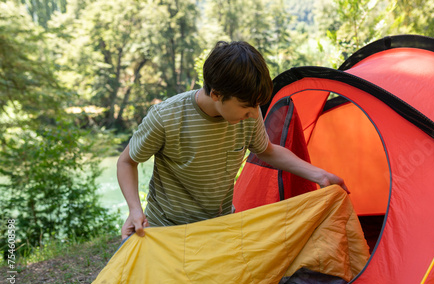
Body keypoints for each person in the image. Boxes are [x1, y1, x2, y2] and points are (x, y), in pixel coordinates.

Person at [117, 41, 349, 240]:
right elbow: (127, 162)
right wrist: (135, 210)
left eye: (256, 106)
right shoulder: (166, 117)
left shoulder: (250, 113)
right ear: (217, 94)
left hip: (219, 227)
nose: (253, 114)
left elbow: (267, 151)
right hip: (167, 231)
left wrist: (320, 175)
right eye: (246, 107)